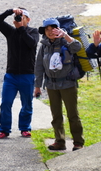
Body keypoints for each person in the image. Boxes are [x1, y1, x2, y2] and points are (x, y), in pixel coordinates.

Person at [34, 18, 85, 151]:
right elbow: (39, 66)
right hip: (51, 85)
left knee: (72, 114)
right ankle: (59, 141)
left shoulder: (66, 41)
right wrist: (37, 86)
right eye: (47, 29)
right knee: (56, 115)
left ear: (59, 29)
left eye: (53, 29)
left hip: (68, 84)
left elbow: (77, 47)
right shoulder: (44, 45)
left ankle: (78, 142)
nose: (50, 32)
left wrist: (66, 36)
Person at [0, 8, 40, 139]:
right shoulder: (11, 32)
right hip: (11, 75)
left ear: (28, 20)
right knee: (6, 103)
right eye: (17, 17)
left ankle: (25, 128)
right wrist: (10, 11)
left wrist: (21, 29)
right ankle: (4, 129)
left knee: (27, 103)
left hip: (27, 74)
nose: (19, 19)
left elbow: (31, 43)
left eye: (22, 16)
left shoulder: (34, 32)